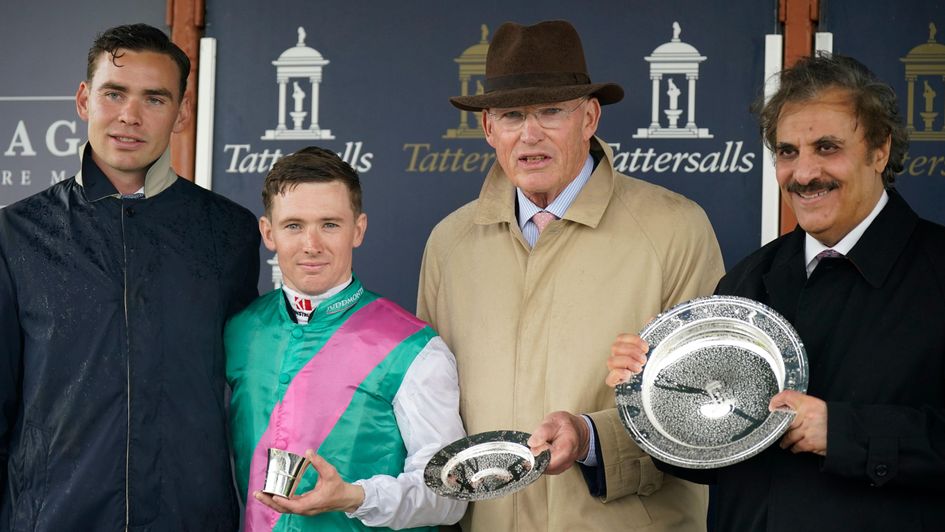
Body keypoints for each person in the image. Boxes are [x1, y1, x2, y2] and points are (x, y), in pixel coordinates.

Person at [606, 53, 945, 530]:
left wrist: (845, 433)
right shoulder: (748, 280)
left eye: (827, 148)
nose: (803, 173)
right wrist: (652, 397)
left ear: (880, 150)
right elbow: (706, 456)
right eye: (787, 151)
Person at [417, 20, 724, 531]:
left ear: (589, 118)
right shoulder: (448, 246)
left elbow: (711, 402)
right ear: (489, 128)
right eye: (512, 115)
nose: (529, 134)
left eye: (550, 111)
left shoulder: (674, 228)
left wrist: (591, 438)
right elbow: (428, 413)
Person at [0, 23, 259, 530]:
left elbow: (251, 392)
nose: (130, 117)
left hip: (192, 518)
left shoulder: (230, 233)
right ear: (83, 99)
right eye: (113, 93)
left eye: (155, 99)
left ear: (182, 112)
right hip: (52, 519)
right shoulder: (15, 234)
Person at [226, 146, 467, 531]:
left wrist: (357, 497)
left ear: (358, 229)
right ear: (268, 233)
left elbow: (451, 494)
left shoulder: (414, 347)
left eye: (330, 224)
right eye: (294, 226)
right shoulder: (240, 331)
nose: (311, 244)